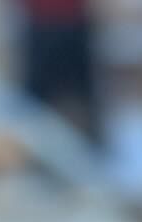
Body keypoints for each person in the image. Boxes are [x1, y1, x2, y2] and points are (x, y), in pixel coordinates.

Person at [16, 0, 101, 143]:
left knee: (83, 97)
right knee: (34, 101)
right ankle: (33, 146)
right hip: (41, 24)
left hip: (75, 22)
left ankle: (91, 146)